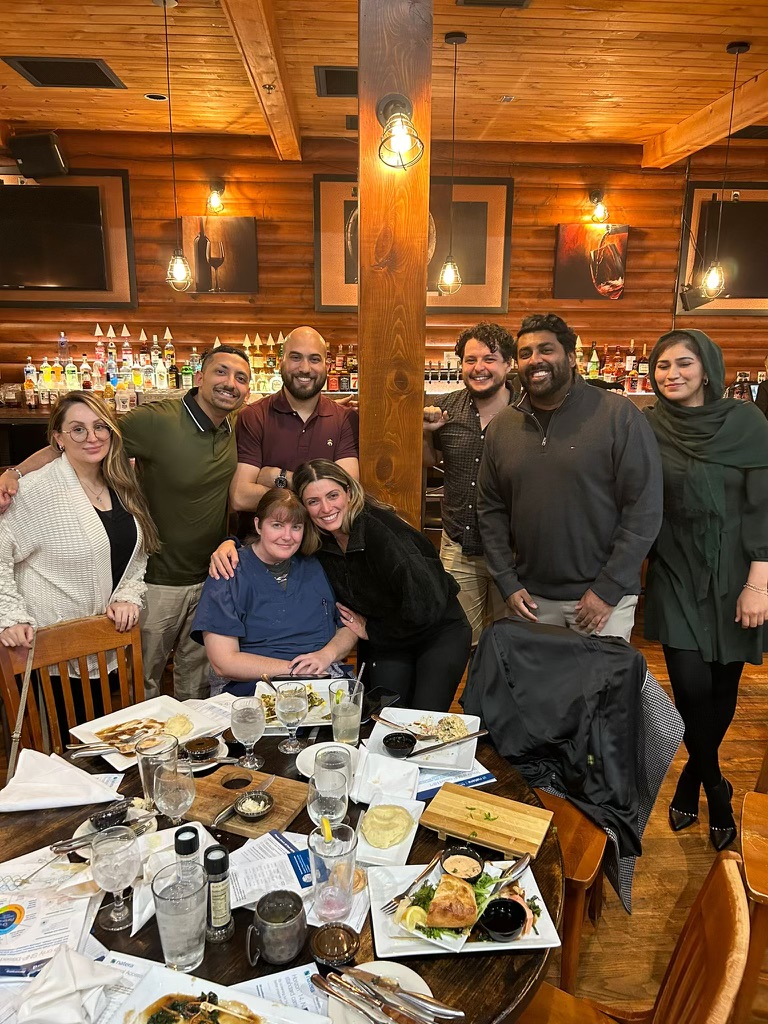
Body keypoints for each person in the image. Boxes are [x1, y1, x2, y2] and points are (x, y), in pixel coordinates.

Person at [0, 346, 251, 700]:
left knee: (196, 682)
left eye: (241, 378)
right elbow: (84, 440)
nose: (230, 383)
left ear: (248, 390)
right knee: (141, 682)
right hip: (157, 579)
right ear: (198, 377)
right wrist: (14, 473)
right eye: (220, 372)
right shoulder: (156, 420)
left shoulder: (235, 425)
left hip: (210, 577)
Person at [644, 329, 768, 850]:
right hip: (676, 569)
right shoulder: (648, 425)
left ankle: (693, 776)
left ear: (708, 368)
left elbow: (763, 505)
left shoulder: (746, 422)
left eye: (684, 363)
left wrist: (759, 584)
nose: (671, 373)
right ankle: (717, 788)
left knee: (722, 686)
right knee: (691, 686)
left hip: (738, 574)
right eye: (662, 364)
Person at [477, 312, 663, 642]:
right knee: (534, 679)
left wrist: (608, 589)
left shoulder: (619, 416)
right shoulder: (502, 427)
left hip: (603, 602)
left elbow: (644, 509)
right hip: (530, 600)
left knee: (600, 679)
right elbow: (491, 510)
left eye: (546, 350)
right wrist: (507, 581)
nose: (535, 360)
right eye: (525, 353)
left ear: (572, 357)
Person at [293, 460, 471, 710]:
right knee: (383, 715)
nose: (326, 508)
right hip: (390, 636)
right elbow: (273, 540)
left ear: (349, 492)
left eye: (333, 495)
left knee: (422, 721)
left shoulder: (385, 536)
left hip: (437, 631)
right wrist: (235, 548)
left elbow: (426, 608)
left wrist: (372, 631)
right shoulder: (320, 540)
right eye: (313, 501)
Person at [0, 391, 158, 649]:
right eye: (78, 430)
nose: (92, 438)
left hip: (105, 641)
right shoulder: (34, 491)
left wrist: (127, 594)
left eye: (99, 427)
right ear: (58, 438)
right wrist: (10, 617)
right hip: (46, 646)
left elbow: (135, 553)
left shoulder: (121, 483)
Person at [193, 489, 356, 695]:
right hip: (251, 685)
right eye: (277, 525)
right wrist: (298, 671)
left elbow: (350, 626)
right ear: (258, 525)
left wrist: (326, 655)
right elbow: (224, 662)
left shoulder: (318, 564)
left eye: (296, 527)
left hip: (322, 676)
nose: (287, 537)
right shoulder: (228, 570)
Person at [423, 322, 517, 646]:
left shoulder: (529, 413)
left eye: (489, 359)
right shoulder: (446, 408)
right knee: (462, 641)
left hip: (514, 553)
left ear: (509, 364)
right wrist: (426, 433)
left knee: (509, 646)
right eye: (470, 359)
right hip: (458, 548)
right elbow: (427, 461)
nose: (479, 368)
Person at [230, 326, 359, 512]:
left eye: (314, 359)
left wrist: (281, 477)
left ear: (327, 365)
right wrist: (321, 492)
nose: (305, 368)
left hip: (324, 532)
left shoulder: (345, 418)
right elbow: (241, 498)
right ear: (281, 363)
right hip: (263, 531)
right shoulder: (254, 416)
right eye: (296, 357)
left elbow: (348, 495)